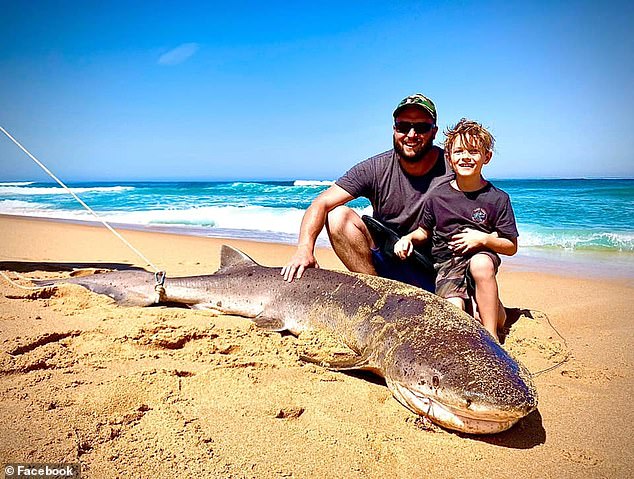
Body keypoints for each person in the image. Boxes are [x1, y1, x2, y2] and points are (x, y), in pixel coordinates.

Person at [281, 93, 454, 289]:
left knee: (481, 314)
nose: (411, 135)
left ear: (434, 131)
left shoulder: (453, 168)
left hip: (436, 266)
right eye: (404, 127)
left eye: (421, 127)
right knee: (337, 216)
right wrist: (304, 250)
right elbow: (321, 204)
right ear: (394, 129)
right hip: (387, 262)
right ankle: (375, 293)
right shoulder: (374, 168)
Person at [393, 118, 518, 341]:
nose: (466, 157)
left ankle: (492, 336)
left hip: (480, 262)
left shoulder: (498, 199)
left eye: (473, 151)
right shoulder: (437, 196)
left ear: (486, 157)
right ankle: (479, 304)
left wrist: (483, 240)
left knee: (481, 265)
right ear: (449, 159)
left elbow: (510, 246)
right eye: (459, 151)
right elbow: (424, 231)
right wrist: (407, 238)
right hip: (447, 265)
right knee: (455, 313)